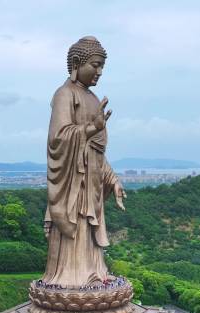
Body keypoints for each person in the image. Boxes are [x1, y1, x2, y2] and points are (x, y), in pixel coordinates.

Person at [41, 36, 126, 287]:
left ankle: (94, 272)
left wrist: (113, 179)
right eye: (95, 65)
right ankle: (70, 279)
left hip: (92, 185)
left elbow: (96, 151)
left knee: (90, 234)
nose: (99, 72)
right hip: (74, 186)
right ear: (78, 63)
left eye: (102, 67)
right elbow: (58, 139)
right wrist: (91, 128)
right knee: (76, 233)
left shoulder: (91, 97)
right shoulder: (64, 94)